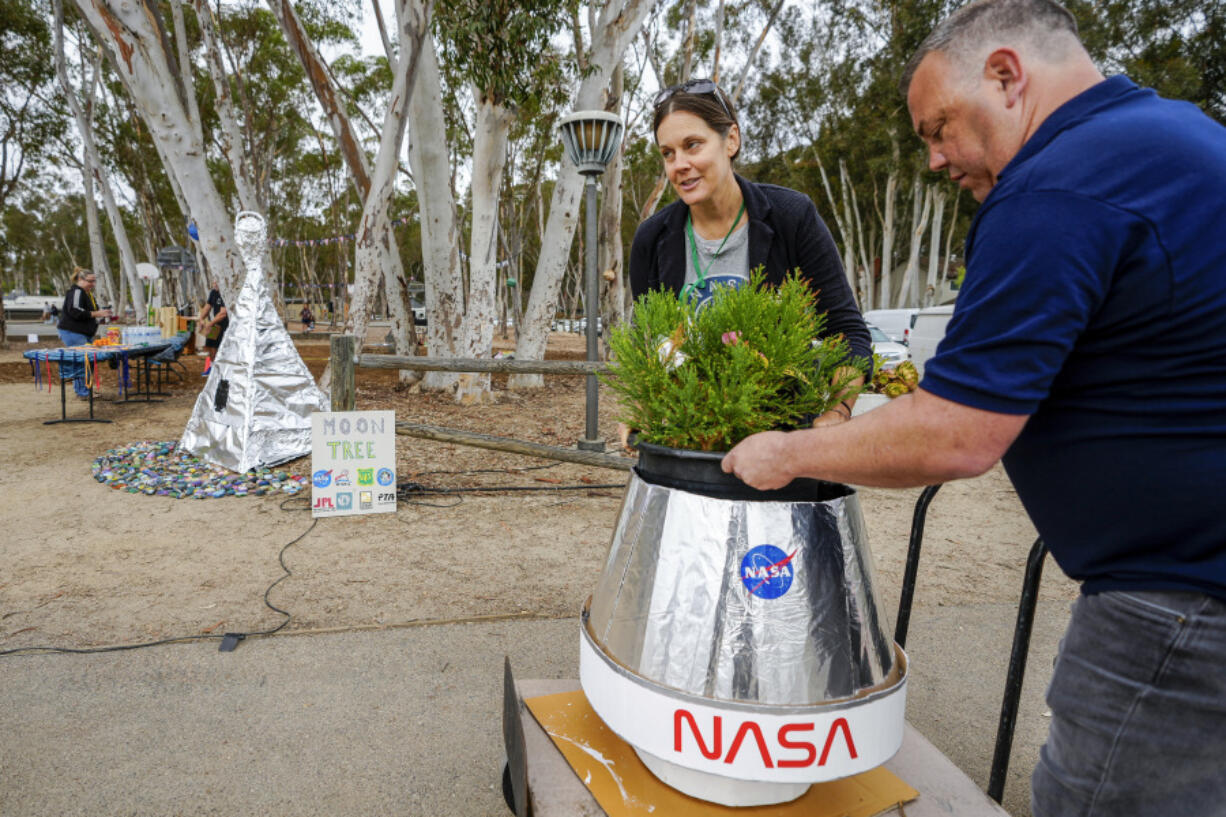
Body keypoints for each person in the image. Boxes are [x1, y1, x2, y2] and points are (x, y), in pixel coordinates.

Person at [721, 2, 1226, 815]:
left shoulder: (1061, 182)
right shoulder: (1178, 138)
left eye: (939, 126)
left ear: (1006, 74)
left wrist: (785, 451)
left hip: (1181, 603)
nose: (933, 158)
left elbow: (957, 432)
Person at [627, 77, 872, 435]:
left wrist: (836, 413)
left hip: (783, 437)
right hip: (691, 438)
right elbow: (646, 346)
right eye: (668, 153)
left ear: (731, 140)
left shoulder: (792, 217)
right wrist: (640, 416)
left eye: (692, 145)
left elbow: (848, 333)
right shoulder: (653, 238)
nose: (679, 164)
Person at [56, 268, 111, 398]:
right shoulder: (76, 291)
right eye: (90, 281)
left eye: (94, 281)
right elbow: (74, 310)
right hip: (72, 331)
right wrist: (97, 313)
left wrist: (101, 315)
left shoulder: (87, 294)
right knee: (83, 360)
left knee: (88, 359)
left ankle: (85, 389)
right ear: (80, 279)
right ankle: (83, 392)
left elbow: (91, 313)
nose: (92, 284)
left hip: (84, 332)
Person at [195, 279, 229, 374]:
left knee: (221, 346)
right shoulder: (213, 292)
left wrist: (209, 324)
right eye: (213, 282)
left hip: (227, 325)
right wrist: (201, 319)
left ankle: (221, 368)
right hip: (216, 324)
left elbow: (223, 314)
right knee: (210, 344)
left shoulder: (225, 292)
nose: (214, 284)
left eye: (216, 282)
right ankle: (212, 367)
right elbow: (207, 307)